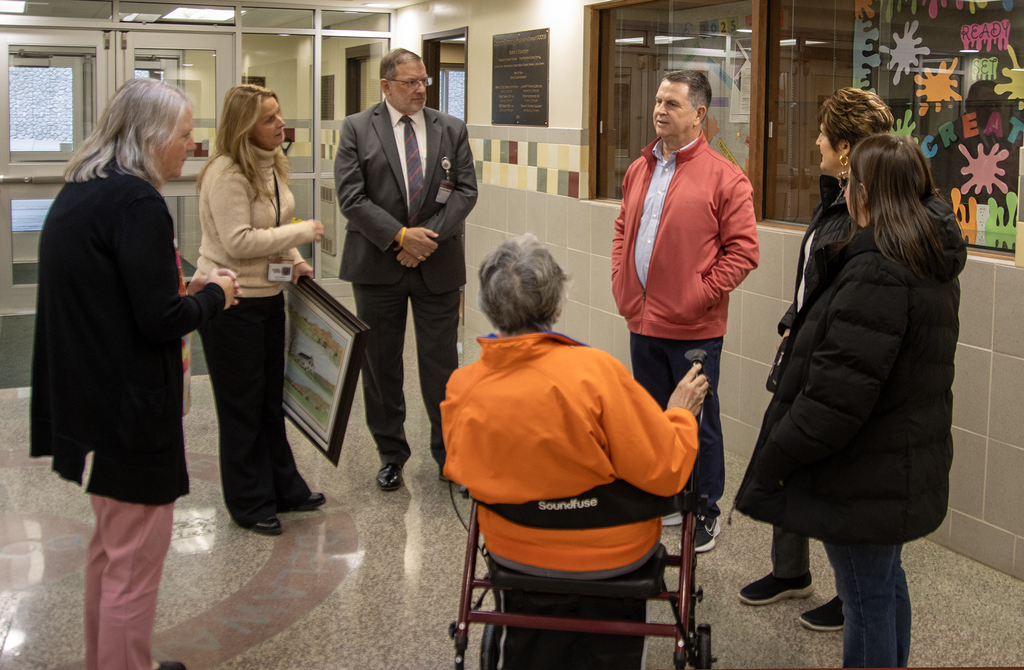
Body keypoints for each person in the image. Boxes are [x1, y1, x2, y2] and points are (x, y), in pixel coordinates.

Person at [31, 78, 239, 670]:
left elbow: (119, 296)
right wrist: (216, 296)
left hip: (89, 402)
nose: (190, 146)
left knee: (110, 552)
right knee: (135, 564)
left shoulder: (82, 192)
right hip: (129, 410)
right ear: (149, 138)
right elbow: (158, 319)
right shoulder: (139, 203)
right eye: (183, 134)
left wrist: (181, 288)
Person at [735, 133, 966, 668]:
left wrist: (775, 457)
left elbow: (836, 401)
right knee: (884, 586)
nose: (845, 194)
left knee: (865, 599)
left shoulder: (880, 271)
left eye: (849, 184)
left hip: (865, 475)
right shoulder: (926, 256)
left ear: (867, 194)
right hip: (898, 464)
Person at [442, 233, 708, 669]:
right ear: (555, 305)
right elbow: (666, 469)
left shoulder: (463, 388)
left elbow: (463, 470)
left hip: (515, 551)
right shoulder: (596, 374)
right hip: (614, 555)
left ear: (488, 307)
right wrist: (679, 413)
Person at [738, 88, 895, 632]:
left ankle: (850, 591)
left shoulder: (867, 214)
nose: (815, 142)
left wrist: (812, 337)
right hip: (806, 346)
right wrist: (790, 320)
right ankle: (790, 572)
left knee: (820, 470)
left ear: (847, 149)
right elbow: (815, 278)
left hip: (830, 361)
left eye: (824, 136)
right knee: (787, 456)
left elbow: (847, 302)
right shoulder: (834, 195)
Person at [611, 69, 759, 551]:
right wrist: (623, 284)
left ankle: (705, 508)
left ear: (698, 114)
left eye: (671, 104)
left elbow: (743, 253)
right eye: (657, 101)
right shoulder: (641, 168)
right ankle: (669, 497)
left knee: (699, 421)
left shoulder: (725, 177)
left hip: (694, 328)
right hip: (644, 320)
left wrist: (698, 295)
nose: (659, 111)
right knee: (653, 418)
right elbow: (622, 231)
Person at [335, 47, 477, 491]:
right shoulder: (357, 128)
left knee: (441, 365)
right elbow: (351, 198)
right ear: (386, 86)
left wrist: (423, 240)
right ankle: (391, 454)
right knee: (381, 366)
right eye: (410, 82)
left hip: (436, 263)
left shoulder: (450, 128)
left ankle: (449, 456)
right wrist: (400, 236)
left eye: (424, 81)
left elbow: (465, 192)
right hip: (378, 265)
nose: (420, 89)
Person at [195, 84, 326, 536]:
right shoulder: (227, 173)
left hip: (268, 300)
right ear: (244, 126)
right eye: (269, 118)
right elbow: (239, 241)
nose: (280, 124)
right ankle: (249, 502)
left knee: (271, 401)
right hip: (231, 305)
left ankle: (283, 487)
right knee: (242, 408)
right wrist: (302, 233)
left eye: (279, 114)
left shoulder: (271, 165)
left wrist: (297, 264)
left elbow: (273, 227)